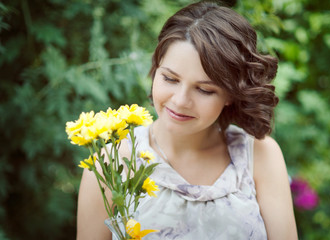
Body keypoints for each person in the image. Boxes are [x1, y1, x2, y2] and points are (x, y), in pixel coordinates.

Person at [77, 1, 298, 239]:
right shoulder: (110, 164)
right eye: (170, 79)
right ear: (155, 69)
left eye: (204, 90)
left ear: (231, 96)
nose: (181, 101)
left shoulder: (260, 156)